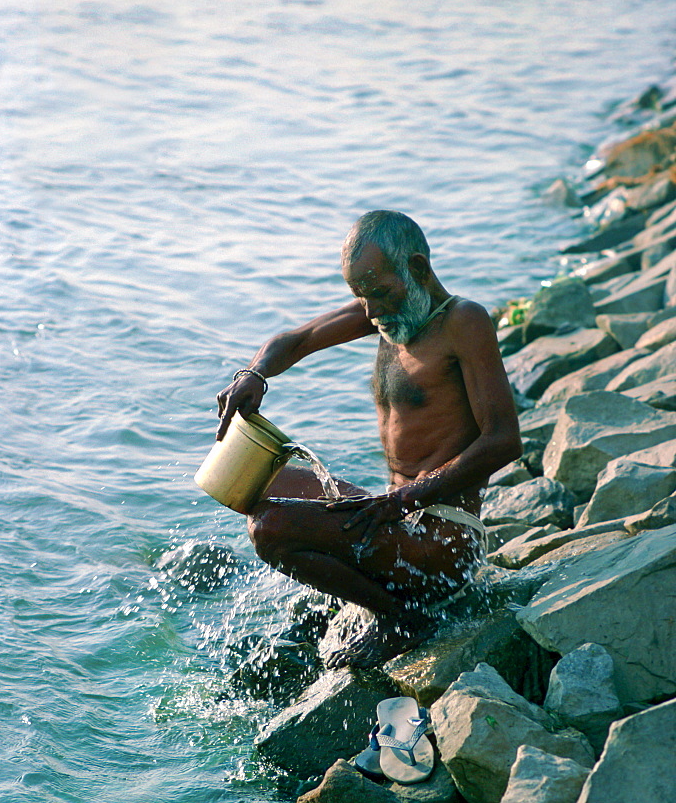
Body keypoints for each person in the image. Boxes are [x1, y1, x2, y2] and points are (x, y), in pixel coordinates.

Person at [214, 210, 522, 669]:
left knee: (270, 528)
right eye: (361, 296)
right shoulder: (387, 314)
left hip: (443, 544)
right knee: (252, 483)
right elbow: (295, 340)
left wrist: (406, 499)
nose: (371, 309)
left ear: (416, 269)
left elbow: (503, 441)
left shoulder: (463, 322)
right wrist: (254, 374)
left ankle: (402, 619)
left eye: (378, 292)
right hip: (397, 515)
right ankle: (363, 587)